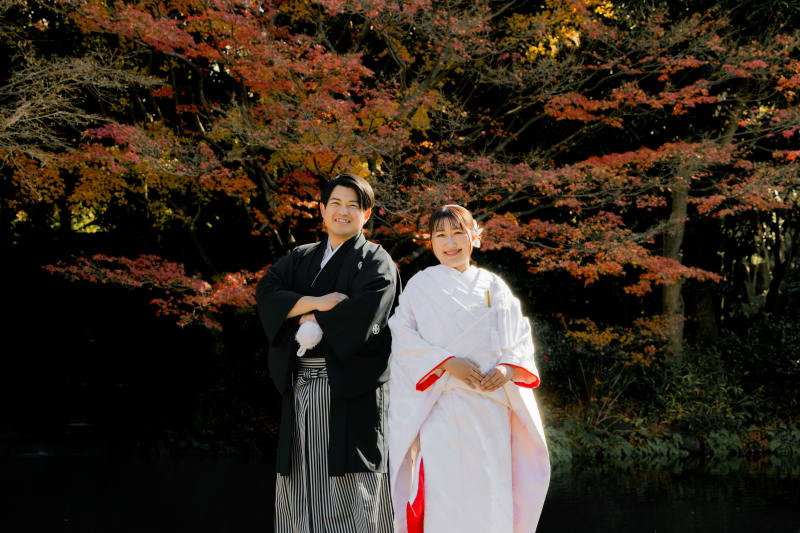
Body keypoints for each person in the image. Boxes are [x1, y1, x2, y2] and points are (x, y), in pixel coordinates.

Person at [387, 205, 550, 533]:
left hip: (491, 408)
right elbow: (402, 337)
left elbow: (519, 336)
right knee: (445, 494)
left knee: (491, 494)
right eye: (441, 235)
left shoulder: (494, 286)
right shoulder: (420, 286)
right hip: (442, 407)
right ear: (431, 242)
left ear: (474, 236)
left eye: (458, 233)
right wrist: (446, 362)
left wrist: (507, 370)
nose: (450, 243)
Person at [256, 173, 400, 533]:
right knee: (300, 480)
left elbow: (366, 316)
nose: (343, 211)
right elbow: (267, 294)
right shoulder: (301, 257)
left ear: (366, 214)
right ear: (322, 209)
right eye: (335, 203)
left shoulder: (377, 261)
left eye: (353, 205)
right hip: (300, 386)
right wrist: (316, 303)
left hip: (348, 391)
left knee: (351, 490)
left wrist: (308, 317)